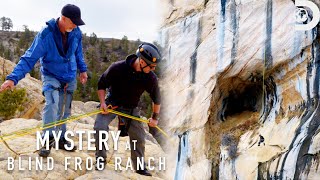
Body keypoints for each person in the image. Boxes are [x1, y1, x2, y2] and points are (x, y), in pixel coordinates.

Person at [0, 4, 88, 157]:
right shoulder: (46, 35)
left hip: (69, 76)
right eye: (73, 22)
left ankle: (61, 138)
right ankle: (47, 140)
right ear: (64, 18)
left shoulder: (76, 32)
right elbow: (29, 58)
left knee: (64, 110)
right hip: (51, 75)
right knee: (52, 104)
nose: (75, 25)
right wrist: (12, 78)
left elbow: (78, 52)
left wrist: (83, 70)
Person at [94, 42, 161, 176]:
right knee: (99, 127)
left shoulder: (150, 77)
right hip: (112, 104)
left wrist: (154, 118)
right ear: (142, 61)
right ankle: (100, 159)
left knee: (139, 136)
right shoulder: (117, 68)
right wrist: (102, 103)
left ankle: (139, 167)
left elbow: (156, 99)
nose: (153, 69)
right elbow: (101, 84)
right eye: (151, 66)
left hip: (131, 107)